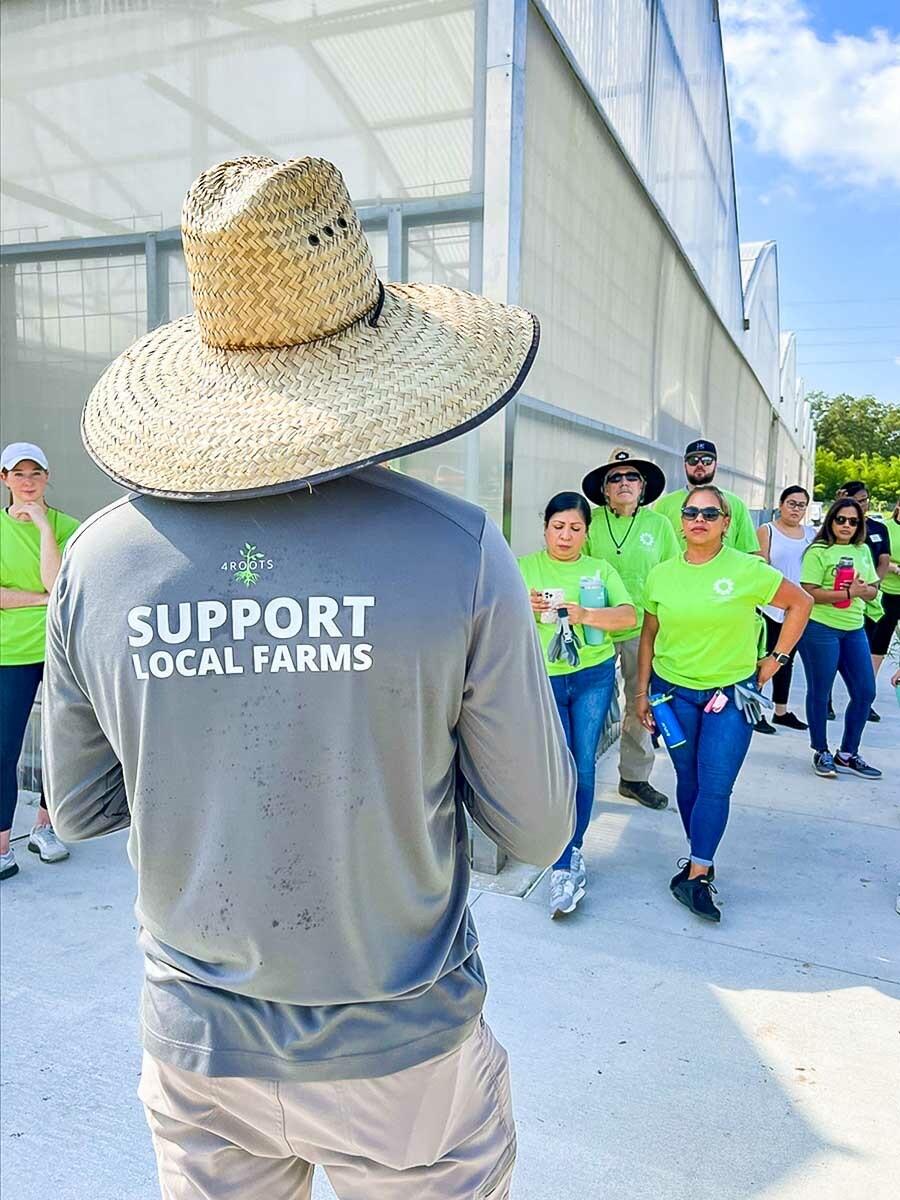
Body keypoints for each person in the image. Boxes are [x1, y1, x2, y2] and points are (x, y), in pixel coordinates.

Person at [42, 155, 575, 1199]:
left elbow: (80, 810)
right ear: (381, 356)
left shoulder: (98, 561)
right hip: (405, 1049)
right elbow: (541, 828)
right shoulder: (458, 550)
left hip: (197, 1046)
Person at [636, 485, 811, 922]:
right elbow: (649, 634)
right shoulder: (661, 574)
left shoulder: (746, 569)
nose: (699, 519)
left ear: (726, 522)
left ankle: (696, 876)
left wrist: (775, 659)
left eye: (710, 514)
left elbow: (801, 603)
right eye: (691, 512)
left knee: (715, 783)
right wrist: (640, 692)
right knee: (687, 779)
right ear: (681, 520)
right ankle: (701, 855)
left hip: (734, 694)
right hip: (671, 694)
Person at [519, 493, 636, 918]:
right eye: (558, 527)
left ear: (586, 532)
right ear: (545, 527)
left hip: (592, 675)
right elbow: (491, 614)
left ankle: (568, 858)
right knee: (556, 765)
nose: (565, 536)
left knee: (582, 763)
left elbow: (628, 616)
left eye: (575, 528)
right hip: (543, 678)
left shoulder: (599, 570)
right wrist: (523, 605)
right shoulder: (525, 567)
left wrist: (585, 614)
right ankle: (556, 843)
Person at [582, 447, 678, 809]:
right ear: (605, 490)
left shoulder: (659, 525)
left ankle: (634, 777)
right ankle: (577, 777)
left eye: (631, 477)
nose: (624, 483)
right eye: (615, 478)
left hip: (643, 629)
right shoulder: (588, 522)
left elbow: (671, 575)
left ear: (643, 487)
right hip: (596, 628)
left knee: (640, 703)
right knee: (590, 705)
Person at [0, 442, 78, 881]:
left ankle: (46, 828)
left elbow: (60, 584)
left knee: (61, 744)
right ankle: (2, 847)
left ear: (47, 477)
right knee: (2, 748)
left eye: (35, 474)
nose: (27, 483)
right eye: (18, 474)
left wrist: (44, 528)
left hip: (59, 650)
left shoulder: (70, 527)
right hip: (9, 654)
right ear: (4, 479)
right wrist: (41, 600)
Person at [798, 497, 883, 780]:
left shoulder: (862, 550)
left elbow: (872, 589)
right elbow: (809, 591)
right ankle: (820, 750)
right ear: (831, 520)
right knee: (820, 692)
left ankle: (847, 753)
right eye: (841, 519)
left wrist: (863, 591)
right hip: (820, 629)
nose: (846, 525)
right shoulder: (818, 552)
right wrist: (848, 594)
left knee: (865, 691)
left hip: (854, 628)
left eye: (853, 521)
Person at [754, 485, 816, 733]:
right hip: (769, 606)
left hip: (797, 609)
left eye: (801, 505)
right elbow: (761, 566)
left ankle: (781, 710)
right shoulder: (767, 531)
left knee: (785, 659)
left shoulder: (811, 534)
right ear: (781, 505)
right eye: (792, 503)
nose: (796, 509)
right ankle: (754, 708)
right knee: (761, 658)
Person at [654, 439, 760, 554]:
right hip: (676, 570)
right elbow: (654, 549)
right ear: (685, 465)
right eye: (693, 460)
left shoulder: (736, 504)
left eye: (706, 460)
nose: (699, 464)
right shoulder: (664, 505)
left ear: (715, 465)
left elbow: (748, 552)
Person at [866, 498, 900, 689]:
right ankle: (867, 692)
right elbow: (875, 559)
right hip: (886, 592)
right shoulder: (885, 528)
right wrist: (894, 568)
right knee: (879, 643)